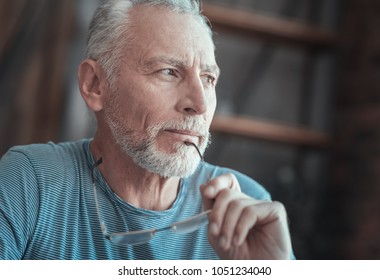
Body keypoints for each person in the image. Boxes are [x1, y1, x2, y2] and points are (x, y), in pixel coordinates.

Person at [0, 0, 292, 260]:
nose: (200, 105)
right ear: (95, 85)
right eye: (168, 71)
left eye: (208, 78)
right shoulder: (29, 182)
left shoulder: (248, 210)